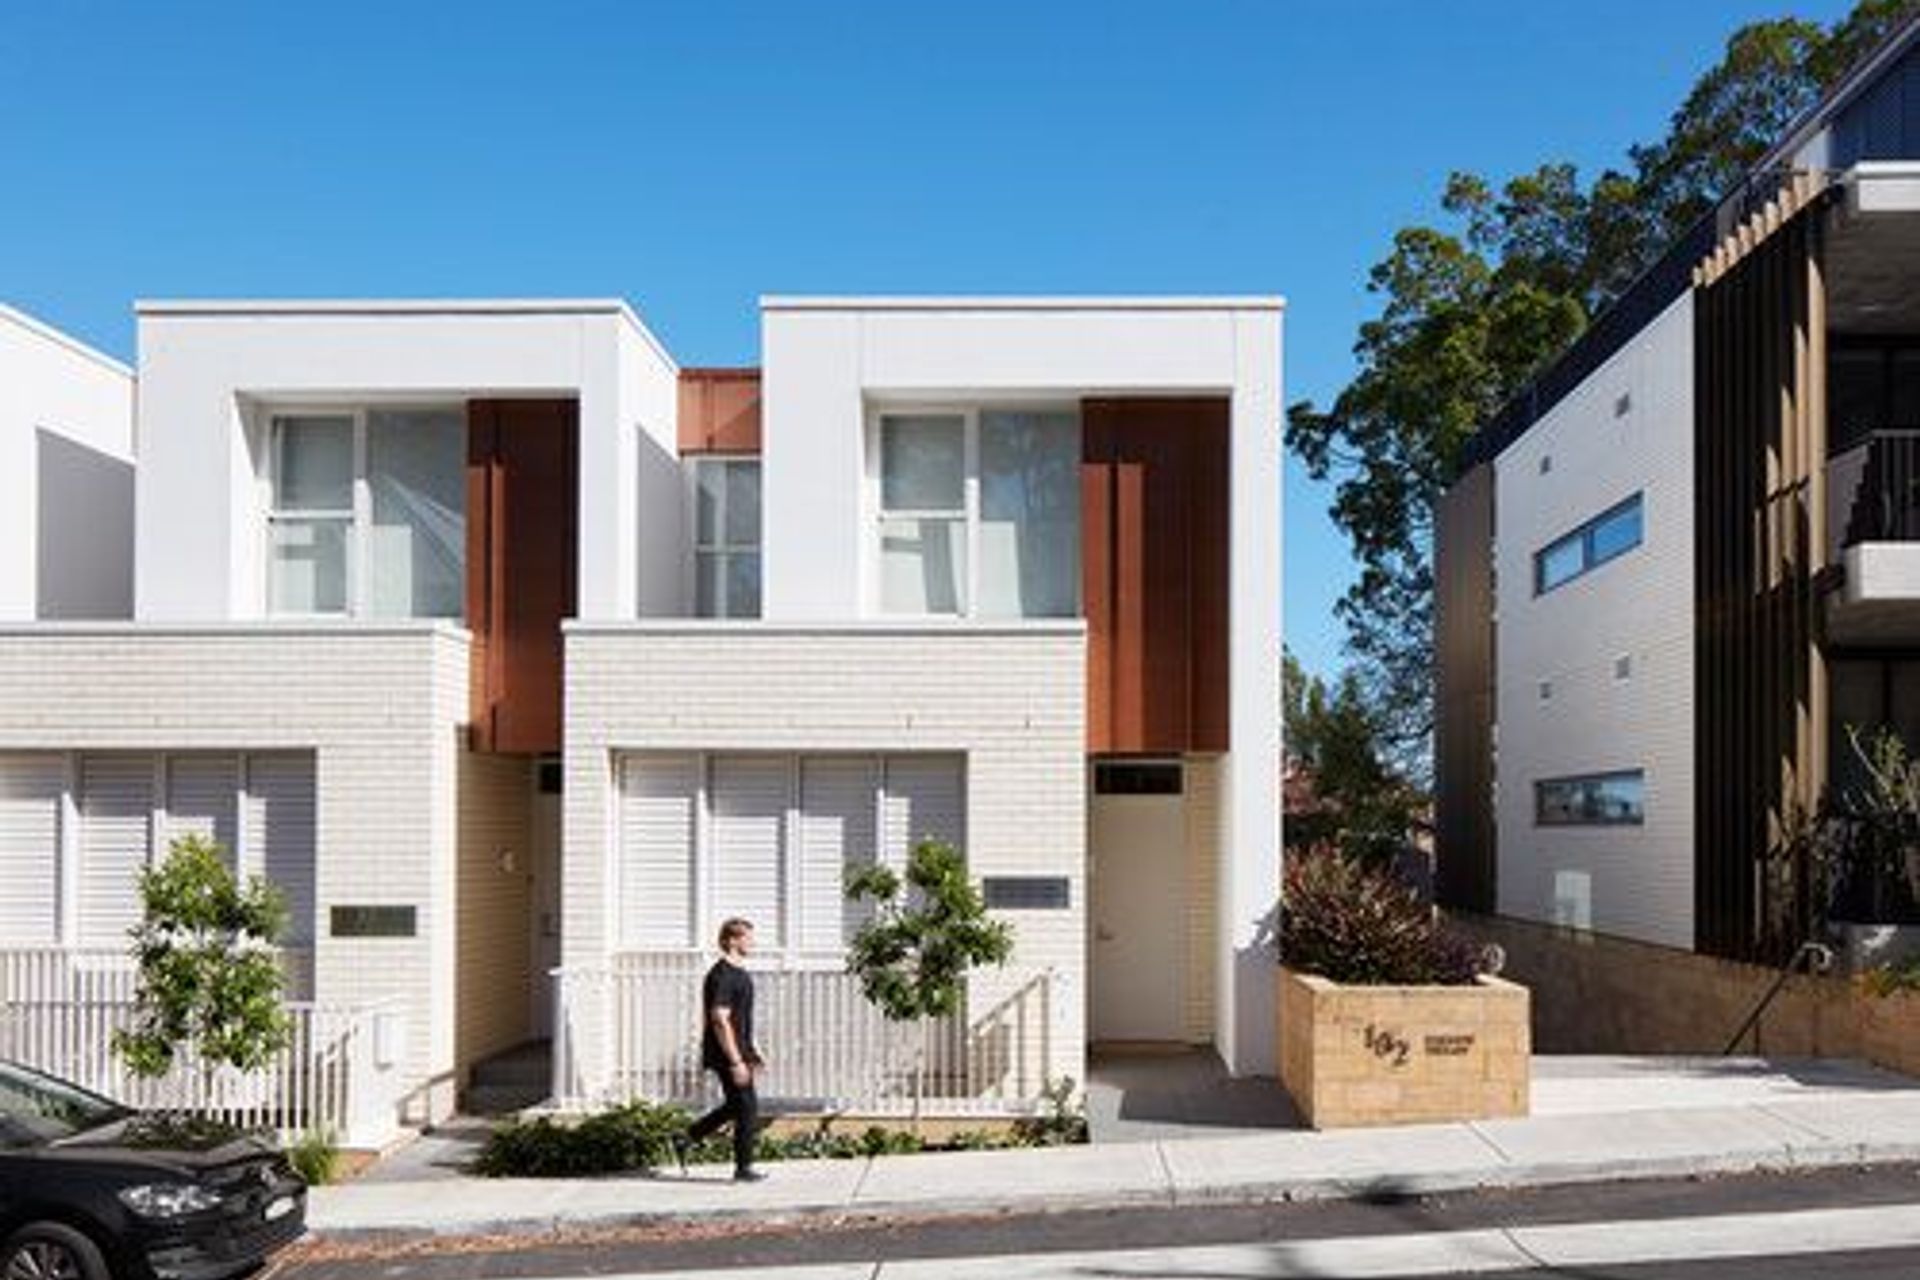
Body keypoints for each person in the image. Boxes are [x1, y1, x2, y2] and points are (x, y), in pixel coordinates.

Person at [677, 917, 765, 1181]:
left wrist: (754, 1049)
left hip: (739, 1049)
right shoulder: (723, 975)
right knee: (747, 1106)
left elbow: (740, 1018)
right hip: (727, 1052)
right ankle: (743, 1168)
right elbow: (719, 1018)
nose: (753, 943)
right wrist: (736, 1061)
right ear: (732, 940)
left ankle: (686, 1137)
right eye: (748, 938)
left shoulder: (739, 973)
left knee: (737, 1105)